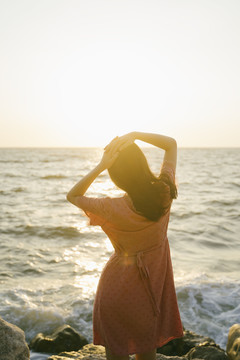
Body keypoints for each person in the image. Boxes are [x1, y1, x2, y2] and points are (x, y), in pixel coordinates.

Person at [67, 132, 183, 360]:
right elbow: (170, 144)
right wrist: (135, 135)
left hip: (115, 291)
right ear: (142, 163)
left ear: (117, 177)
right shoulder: (164, 191)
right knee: (147, 354)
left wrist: (101, 165)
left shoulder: (113, 208)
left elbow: (74, 196)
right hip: (149, 294)